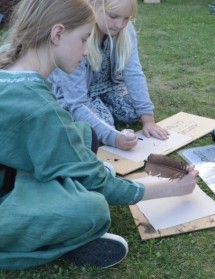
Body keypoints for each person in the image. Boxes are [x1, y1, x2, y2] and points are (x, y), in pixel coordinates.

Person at [0, 0, 198, 271]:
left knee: (82, 133)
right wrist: (172, 187)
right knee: (91, 208)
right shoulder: (39, 106)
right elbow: (99, 183)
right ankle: (54, 244)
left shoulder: (13, 74)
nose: (85, 50)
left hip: (10, 173)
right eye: (83, 39)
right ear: (57, 34)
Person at [48, 0, 169, 151]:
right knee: (103, 125)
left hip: (108, 86)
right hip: (78, 95)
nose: (120, 25)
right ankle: (95, 115)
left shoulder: (125, 30)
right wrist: (114, 138)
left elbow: (134, 73)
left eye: (126, 18)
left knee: (132, 112)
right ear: (93, 5)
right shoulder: (75, 37)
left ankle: (99, 111)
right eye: (113, 16)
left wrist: (148, 120)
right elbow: (77, 101)